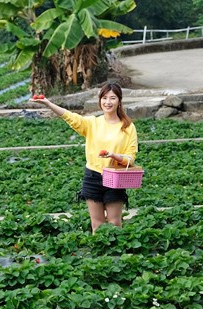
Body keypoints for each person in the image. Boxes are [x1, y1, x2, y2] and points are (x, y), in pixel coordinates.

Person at [33, 83, 138, 234]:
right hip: (93, 176)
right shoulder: (92, 123)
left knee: (115, 222)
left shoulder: (127, 127)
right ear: (100, 100)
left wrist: (114, 155)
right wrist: (49, 104)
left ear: (119, 101)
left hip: (115, 178)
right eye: (104, 98)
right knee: (97, 224)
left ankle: (116, 254)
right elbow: (70, 117)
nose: (108, 102)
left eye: (112, 98)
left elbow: (130, 158)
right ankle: (99, 253)